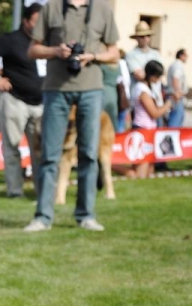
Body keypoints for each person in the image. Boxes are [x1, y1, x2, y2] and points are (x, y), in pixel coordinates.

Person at [23, 0, 120, 232]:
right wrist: (57, 51)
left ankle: (86, 215)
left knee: (88, 153)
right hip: (56, 89)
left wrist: (92, 56)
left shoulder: (103, 9)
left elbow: (115, 53)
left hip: (91, 89)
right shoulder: (51, 8)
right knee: (49, 155)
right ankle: (43, 217)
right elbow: (33, 50)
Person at [0, 3, 44, 198]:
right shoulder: (11, 39)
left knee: (40, 151)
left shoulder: (46, 40)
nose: (39, 25)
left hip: (40, 103)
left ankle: (42, 192)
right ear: (25, 21)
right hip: (15, 101)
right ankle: (15, 191)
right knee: (12, 148)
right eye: (35, 21)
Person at [128, 60, 172, 178]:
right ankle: (109, 165)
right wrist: (167, 105)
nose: (158, 80)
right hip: (142, 131)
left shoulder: (148, 88)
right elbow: (154, 113)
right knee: (138, 174)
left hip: (150, 130)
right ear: (151, 75)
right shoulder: (142, 89)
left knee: (149, 173)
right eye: (157, 76)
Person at [166, 48, 189, 127]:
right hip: (176, 97)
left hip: (175, 96)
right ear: (181, 55)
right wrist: (178, 93)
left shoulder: (175, 64)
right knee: (175, 122)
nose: (187, 57)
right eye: (185, 55)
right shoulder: (178, 65)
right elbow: (175, 78)